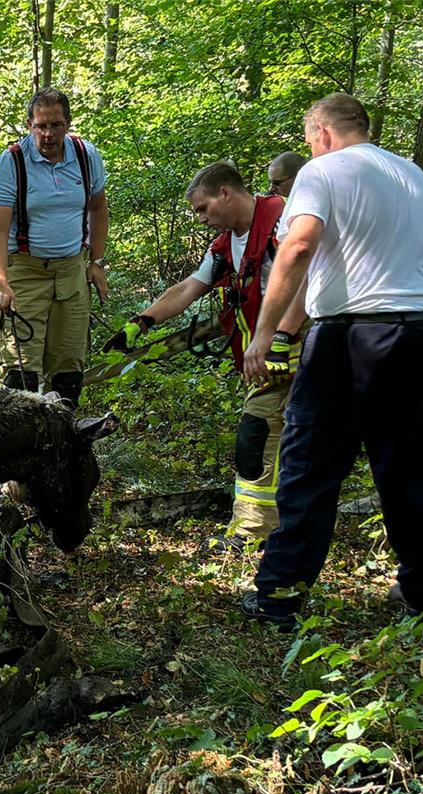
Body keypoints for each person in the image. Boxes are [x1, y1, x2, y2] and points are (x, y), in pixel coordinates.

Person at [241, 93, 423, 630]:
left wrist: (262, 334)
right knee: (408, 467)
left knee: (310, 463)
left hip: (352, 339)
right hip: (421, 334)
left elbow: (301, 248)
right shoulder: (411, 176)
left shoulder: (323, 170)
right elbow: (344, 260)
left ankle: (278, 597)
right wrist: (289, 329)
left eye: (311, 141)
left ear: (322, 134)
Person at [103, 161, 307, 552]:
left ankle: (251, 534)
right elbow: (191, 286)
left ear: (226, 193)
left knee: (257, 437)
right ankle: (289, 527)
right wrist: (142, 322)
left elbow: (310, 277)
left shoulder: (282, 222)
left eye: (203, 209)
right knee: (292, 442)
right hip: (265, 354)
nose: (201, 219)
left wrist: (279, 337)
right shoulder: (226, 244)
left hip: (291, 351)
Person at [0, 87, 110, 405]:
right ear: (29, 125)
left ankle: (64, 444)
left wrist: (96, 262)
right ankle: (19, 448)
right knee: (19, 371)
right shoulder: (12, 163)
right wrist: (1, 282)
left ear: (67, 124)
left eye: (55, 125)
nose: (48, 134)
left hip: (72, 271)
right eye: (41, 126)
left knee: (69, 367)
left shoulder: (85, 155)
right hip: (25, 272)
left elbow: (98, 210)